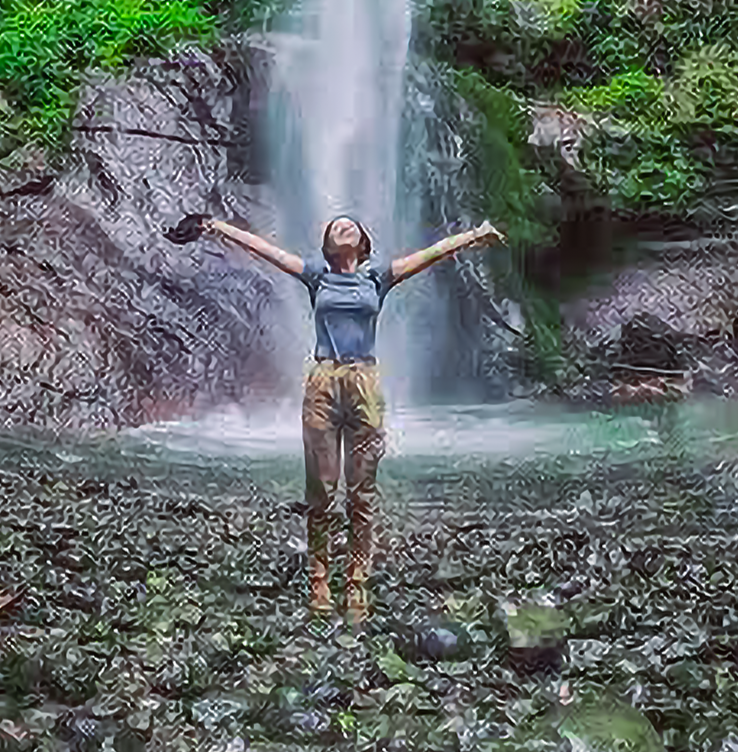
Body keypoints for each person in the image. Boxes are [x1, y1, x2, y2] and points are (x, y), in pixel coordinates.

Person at [176, 212, 505, 624]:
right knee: (321, 489)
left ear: (363, 241)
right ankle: (318, 579)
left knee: (362, 494)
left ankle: (357, 581)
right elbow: (267, 252)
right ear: (329, 246)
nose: (343, 226)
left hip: (365, 382)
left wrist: (474, 235)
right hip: (323, 382)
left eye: (350, 224)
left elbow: (429, 256)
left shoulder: (377, 279)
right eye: (335, 227)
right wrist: (217, 227)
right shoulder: (317, 276)